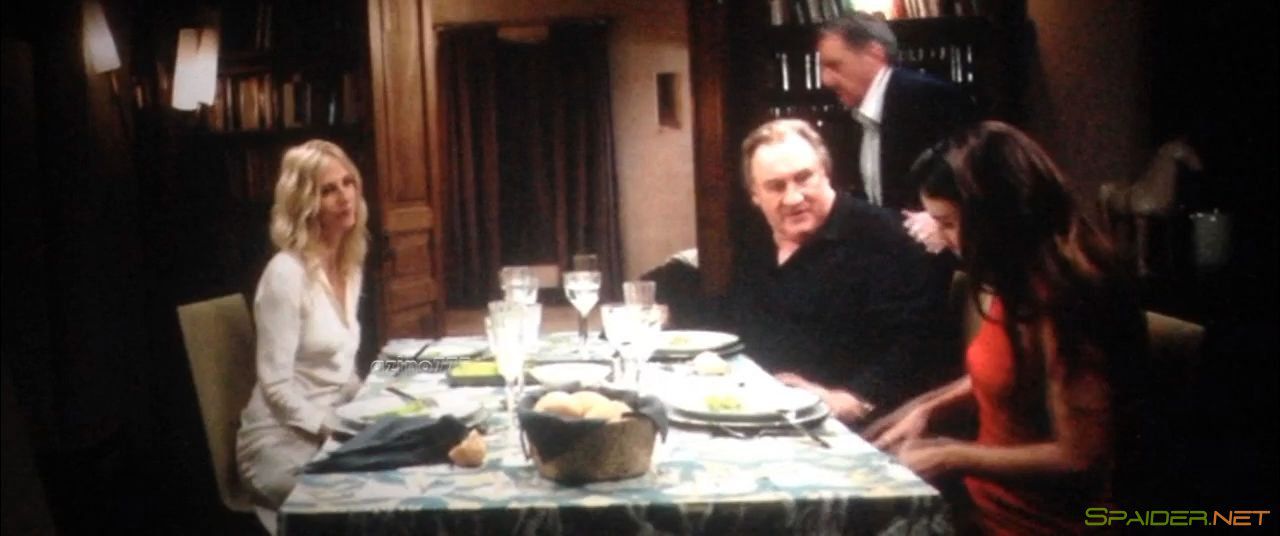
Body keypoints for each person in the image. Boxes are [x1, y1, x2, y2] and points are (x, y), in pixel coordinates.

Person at [865, 121, 1148, 534]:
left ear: (992, 215)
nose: (943, 237)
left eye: (948, 223)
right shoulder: (1017, 268)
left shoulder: (1068, 294)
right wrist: (926, 408)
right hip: (981, 510)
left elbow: (1080, 457)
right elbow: (1012, 375)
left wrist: (950, 454)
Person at [721, 118, 954, 424]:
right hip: (761, 413)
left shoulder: (886, 238)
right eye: (776, 186)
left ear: (826, 173)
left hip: (853, 421)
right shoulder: (754, 242)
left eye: (804, 178)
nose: (793, 198)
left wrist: (853, 399)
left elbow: (916, 346)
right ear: (755, 195)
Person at [236, 140, 369, 511]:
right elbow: (276, 387)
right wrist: (335, 429)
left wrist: (374, 401)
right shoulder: (286, 274)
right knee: (360, 505)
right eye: (328, 190)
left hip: (331, 427)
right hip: (279, 440)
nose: (345, 196)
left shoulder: (349, 264)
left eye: (348, 182)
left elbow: (339, 369)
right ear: (305, 204)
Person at [817, 12, 978, 253]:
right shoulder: (849, 117)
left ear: (875, 53)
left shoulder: (932, 98)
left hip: (938, 260)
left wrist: (940, 222)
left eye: (834, 65)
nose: (825, 80)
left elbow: (977, 181)